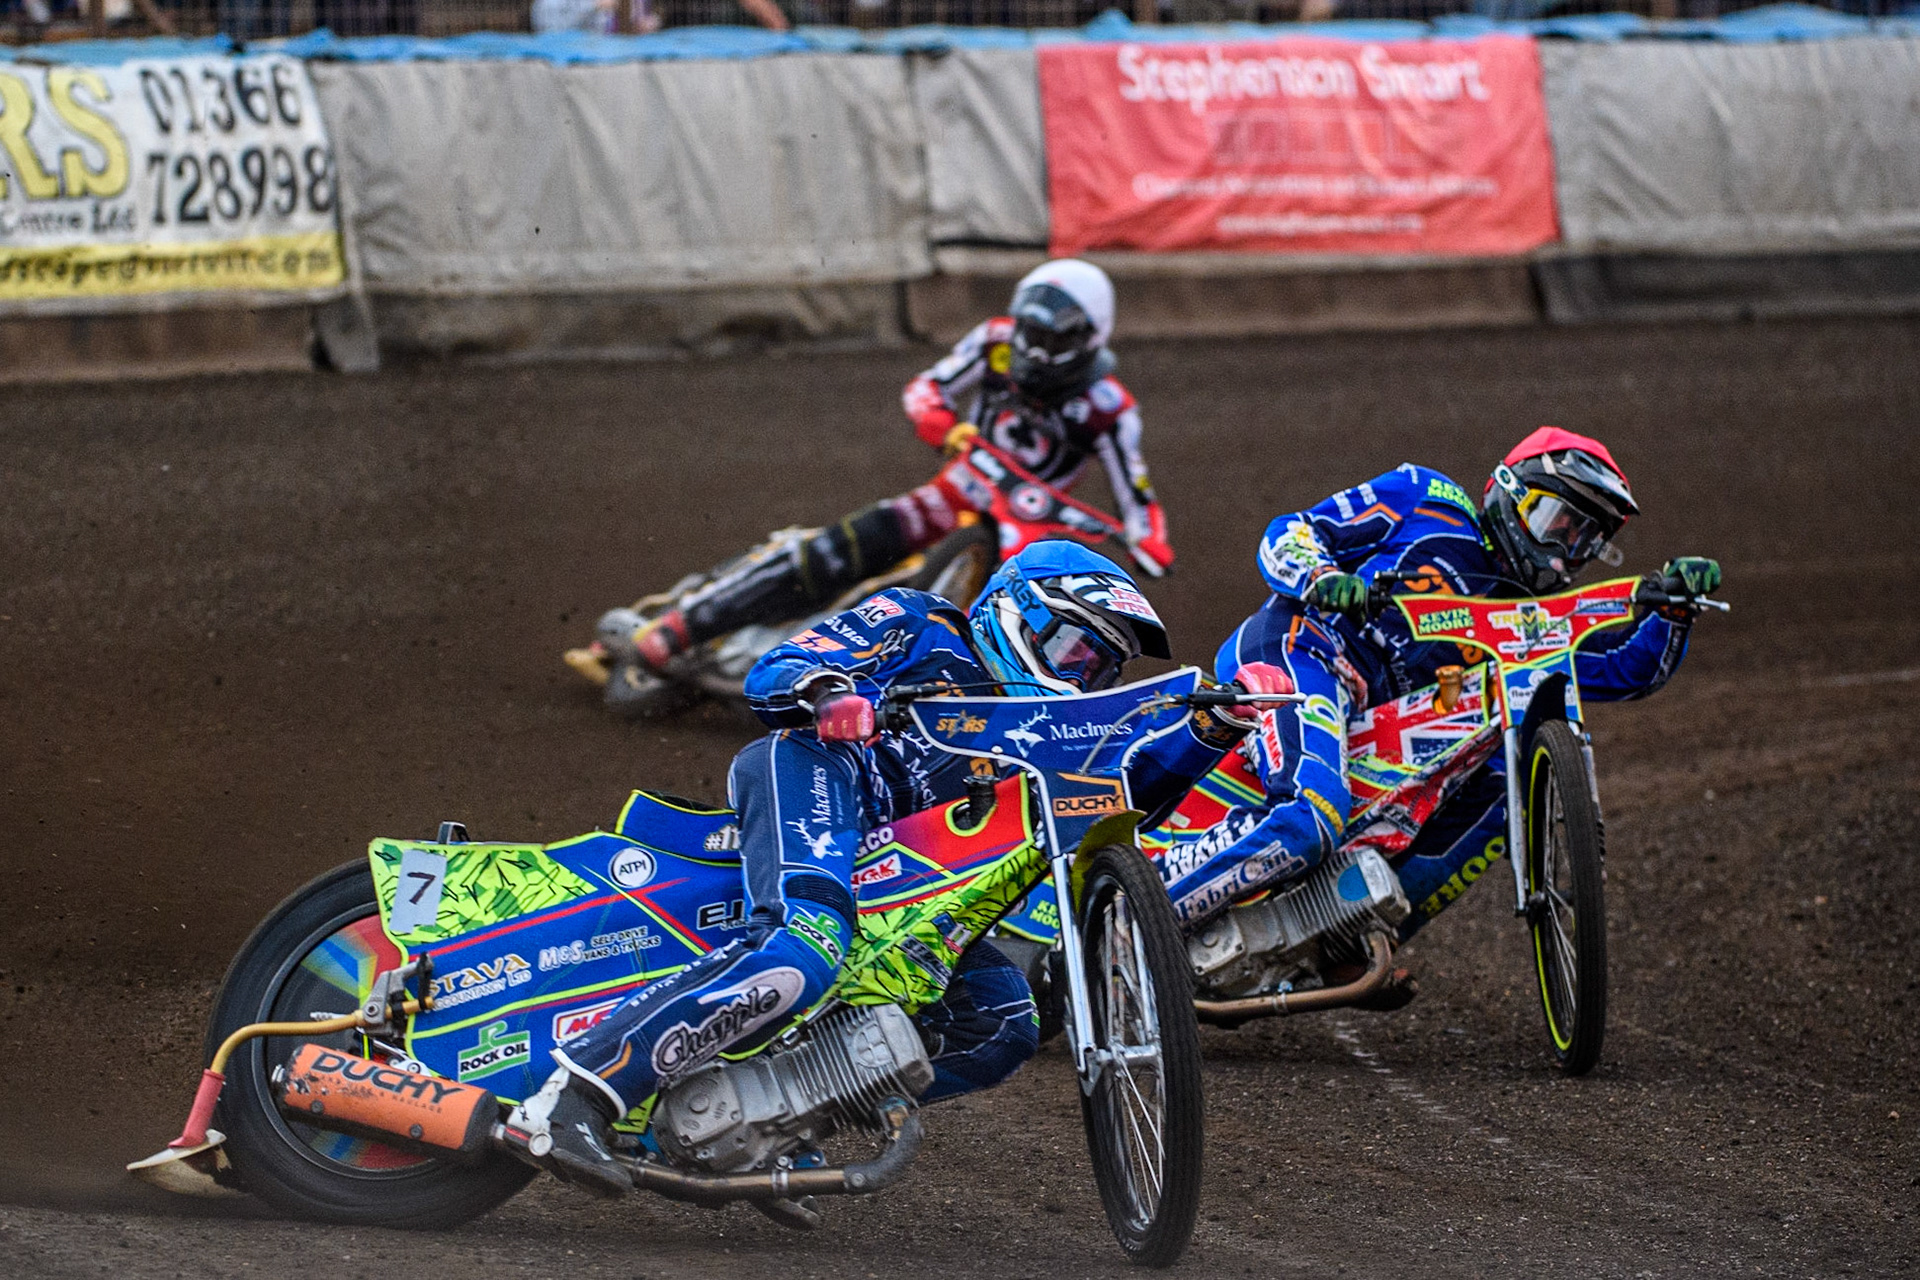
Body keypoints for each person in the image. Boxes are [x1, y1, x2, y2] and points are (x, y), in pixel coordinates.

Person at [520, 540, 1271, 1197]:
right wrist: (830, 693)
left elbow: (1118, 796)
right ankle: (577, 1095)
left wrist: (1212, 731)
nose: (1083, 675)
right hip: (820, 772)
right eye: (1076, 649)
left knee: (1002, 1021)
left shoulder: (1048, 731)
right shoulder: (921, 622)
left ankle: (762, 1121)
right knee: (801, 948)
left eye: (1100, 666)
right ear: (1018, 612)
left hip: (905, 877)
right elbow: (779, 669)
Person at [1159, 428, 1722, 1000]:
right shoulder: (1427, 498)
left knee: (1505, 778)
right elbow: (1292, 532)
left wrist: (1673, 612)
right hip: (1304, 653)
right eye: (1555, 520)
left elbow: (1624, 668)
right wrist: (1323, 579)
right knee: (1310, 817)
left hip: (1382, 724)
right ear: (1508, 493)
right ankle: (1146, 914)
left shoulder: (1530, 620)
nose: (1562, 548)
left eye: (1584, 538)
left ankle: (1343, 941)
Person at [627, 259, 1174, 674]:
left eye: (1054, 338)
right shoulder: (995, 341)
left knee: (1013, 627)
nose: (1036, 347)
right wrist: (943, 424)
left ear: (1089, 336)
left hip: (1023, 527)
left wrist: (1149, 542)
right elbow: (927, 386)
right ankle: (683, 625)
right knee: (842, 546)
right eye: (1032, 331)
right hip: (954, 490)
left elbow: (1138, 495)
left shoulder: (1110, 408)